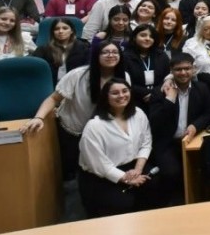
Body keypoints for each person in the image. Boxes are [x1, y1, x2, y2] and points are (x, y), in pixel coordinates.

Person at [20, 41, 129, 180]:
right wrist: (39, 117)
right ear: (96, 55)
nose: (111, 55)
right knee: (72, 174)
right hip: (73, 133)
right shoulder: (78, 74)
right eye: (105, 52)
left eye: (115, 52)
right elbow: (54, 99)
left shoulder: (124, 77)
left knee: (98, 172)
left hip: (103, 133)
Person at [78, 79, 158, 218]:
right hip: (101, 175)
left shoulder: (138, 113)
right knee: (122, 203)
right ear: (105, 97)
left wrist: (138, 170)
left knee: (155, 185)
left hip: (133, 165)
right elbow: (99, 165)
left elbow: (146, 143)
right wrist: (126, 179)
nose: (121, 95)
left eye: (125, 91)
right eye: (115, 93)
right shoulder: (94, 126)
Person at [148, 53, 210, 203]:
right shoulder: (159, 92)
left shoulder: (202, 88)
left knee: (203, 169)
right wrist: (170, 100)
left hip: (193, 140)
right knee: (172, 173)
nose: (183, 73)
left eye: (187, 68)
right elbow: (155, 121)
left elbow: (209, 113)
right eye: (178, 69)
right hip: (167, 143)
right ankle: (174, 204)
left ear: (193, 69)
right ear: (171, 71)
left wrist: (195, 126)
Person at [32, 18, 90, 87]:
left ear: (71, 31)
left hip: (76, 87)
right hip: (51, 87)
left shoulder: (83, 47)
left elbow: (88, 70)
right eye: (56, 29)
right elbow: (35, 69)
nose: (60, 31)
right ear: (52, 32)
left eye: (65, 28)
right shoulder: (43, 49)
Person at [124, 23, 169, 110]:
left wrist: (155, 94)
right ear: (134, 37)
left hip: (159, 99)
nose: (147, 39)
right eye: (143, 35)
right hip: (134, 101)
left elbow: (167, 78)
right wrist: (146, 93)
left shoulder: (161, 55)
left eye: (151, 36)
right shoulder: (125, 57)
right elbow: (125, 82)